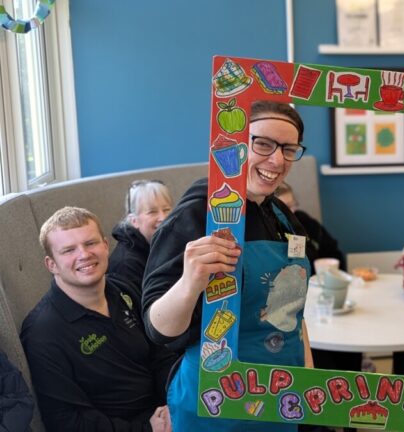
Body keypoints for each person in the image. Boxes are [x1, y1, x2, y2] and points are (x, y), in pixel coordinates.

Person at [142, 101, 314, 431]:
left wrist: (307, 383)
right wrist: (190, 281)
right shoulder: (194, 216)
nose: (276, 160)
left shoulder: (285, 218)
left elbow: (296, 314)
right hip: (216, 402)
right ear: (235, 144)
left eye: (289, 149)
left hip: (281, 394)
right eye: (263, 144)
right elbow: (158, 329)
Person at [20, 206, 175, 432]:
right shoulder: (42, 331)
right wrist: (147, 428)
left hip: (168, 414)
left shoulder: (124, 288)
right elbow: (66, 421)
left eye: (90, 243)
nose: (84, 255)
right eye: (69, 250)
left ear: (105, 245)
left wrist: (173, 404)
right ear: (51, 264)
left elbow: (161, 356)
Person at [108, 179, 173, 290]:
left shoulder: (166, 244)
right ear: (134, 220)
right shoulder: (126, 265)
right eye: (152, 212)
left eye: (166, 209)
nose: (163, 218)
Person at [274, 182, 346, 271]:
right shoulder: (269, 230)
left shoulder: (303, 219)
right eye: (285, 207)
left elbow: (331, 248)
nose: (291, 211)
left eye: (292, 204)